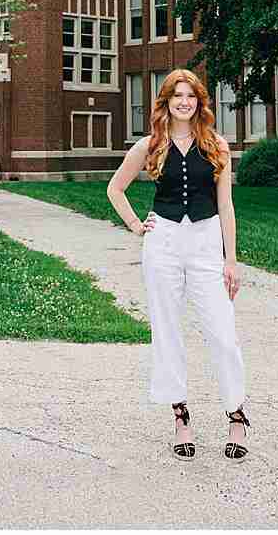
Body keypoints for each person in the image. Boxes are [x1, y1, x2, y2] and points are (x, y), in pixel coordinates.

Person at [106, 68, 250, 461]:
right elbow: (115, 188)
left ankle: (236, 413)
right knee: (168, 330)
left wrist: (230, 259)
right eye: (177, 96)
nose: (184, 102)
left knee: (221, 330)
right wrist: (137, 225)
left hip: (205, 242)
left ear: (199, 102)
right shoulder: (150, 144)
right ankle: (180, 417)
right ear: (166, 102)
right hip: (164, 243)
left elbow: (226, 205)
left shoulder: (216, 145)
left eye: (191, 96)